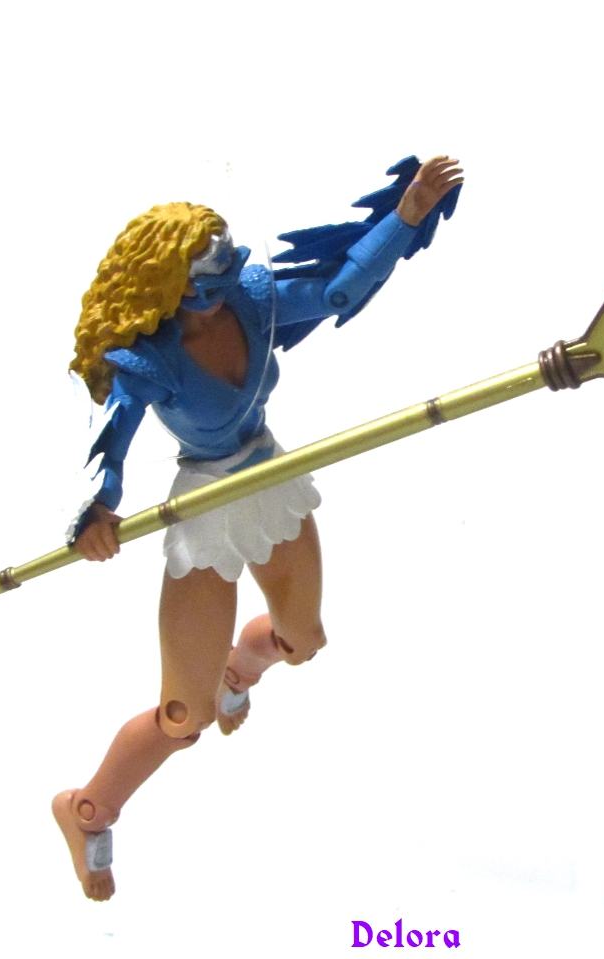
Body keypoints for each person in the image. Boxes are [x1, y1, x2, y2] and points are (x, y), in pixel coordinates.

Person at [52, 155, 464, 901]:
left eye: (223, 275)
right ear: (167, 289)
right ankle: (89, 810)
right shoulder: (147, 357)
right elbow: (109, 440)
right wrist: (97, 512)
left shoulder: (249, 296)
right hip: (206, 505)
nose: (217, 295)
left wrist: (404, 218)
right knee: (184, 716)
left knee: (302, 640)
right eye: (200, 288)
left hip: (269, 476)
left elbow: (334, 290)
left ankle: (240, 665)